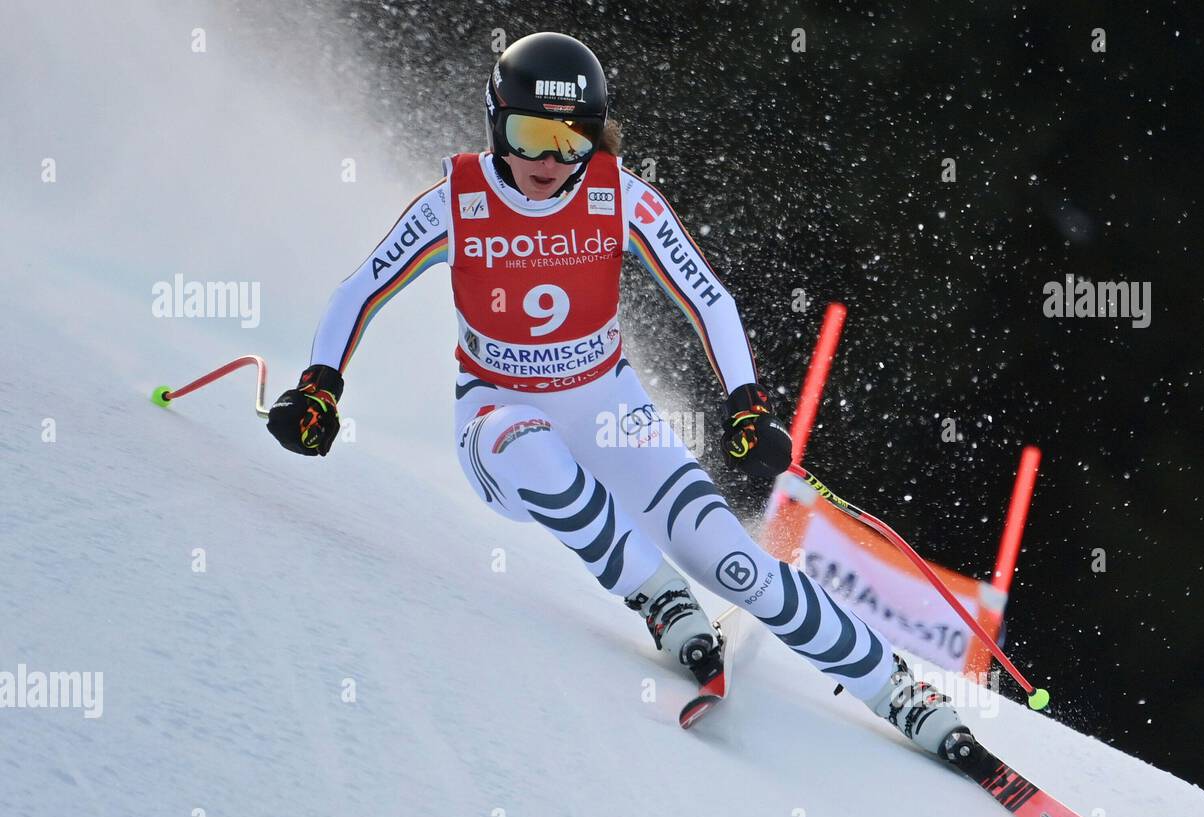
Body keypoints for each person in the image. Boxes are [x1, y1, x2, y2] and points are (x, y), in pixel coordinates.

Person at [267, 32, 965, 754]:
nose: (548, 162)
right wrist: (320, 389)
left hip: (609, 408)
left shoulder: (620, 196)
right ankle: (657, 596)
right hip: (495, 419)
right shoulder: (457, 199)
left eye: (572, 142)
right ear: (493, 124)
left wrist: (747, 403)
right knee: (532, 451)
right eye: (529, 135)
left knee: (733, 561)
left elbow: (709, 299)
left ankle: (900, 690)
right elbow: (360, 291)